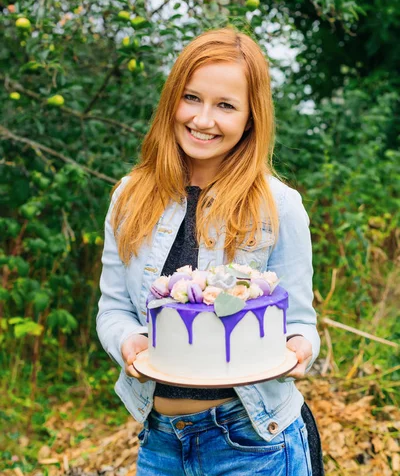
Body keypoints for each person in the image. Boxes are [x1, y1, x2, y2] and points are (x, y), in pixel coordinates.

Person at [96, 27, 324, 475]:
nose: (203, 119)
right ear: (171, 101)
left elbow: (299, 321)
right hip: (160, 441)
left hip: (252, 442)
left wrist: (300, 349)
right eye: (192, 98)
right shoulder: (129, 196)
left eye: (225, 106)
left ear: (250, 118)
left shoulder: (279, 206)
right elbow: (113, 308)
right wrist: (129, 342)